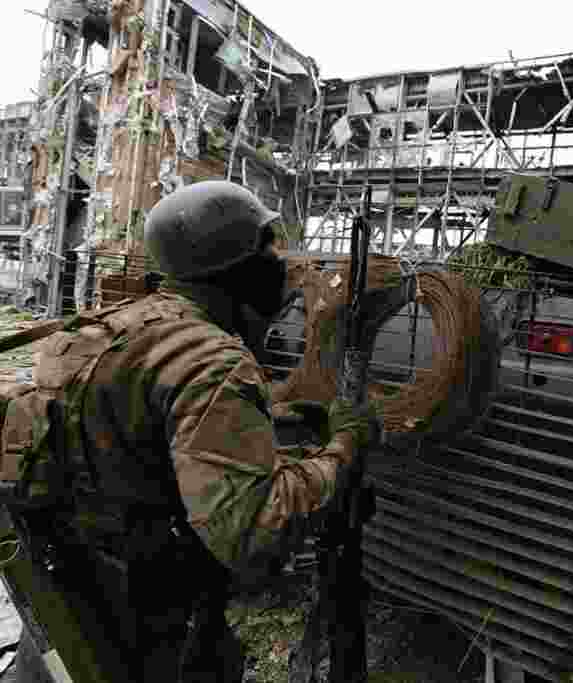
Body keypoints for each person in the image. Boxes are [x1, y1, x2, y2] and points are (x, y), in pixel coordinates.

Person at [4, 180, 368, 682]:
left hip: (66, 593)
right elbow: (252, 531)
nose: (283, 266)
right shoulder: (213, 359)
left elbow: (130, 434)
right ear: (236, 267)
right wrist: (345, 447)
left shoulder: (114, 326)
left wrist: (273, 420)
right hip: (144, 627)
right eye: (269, 249)